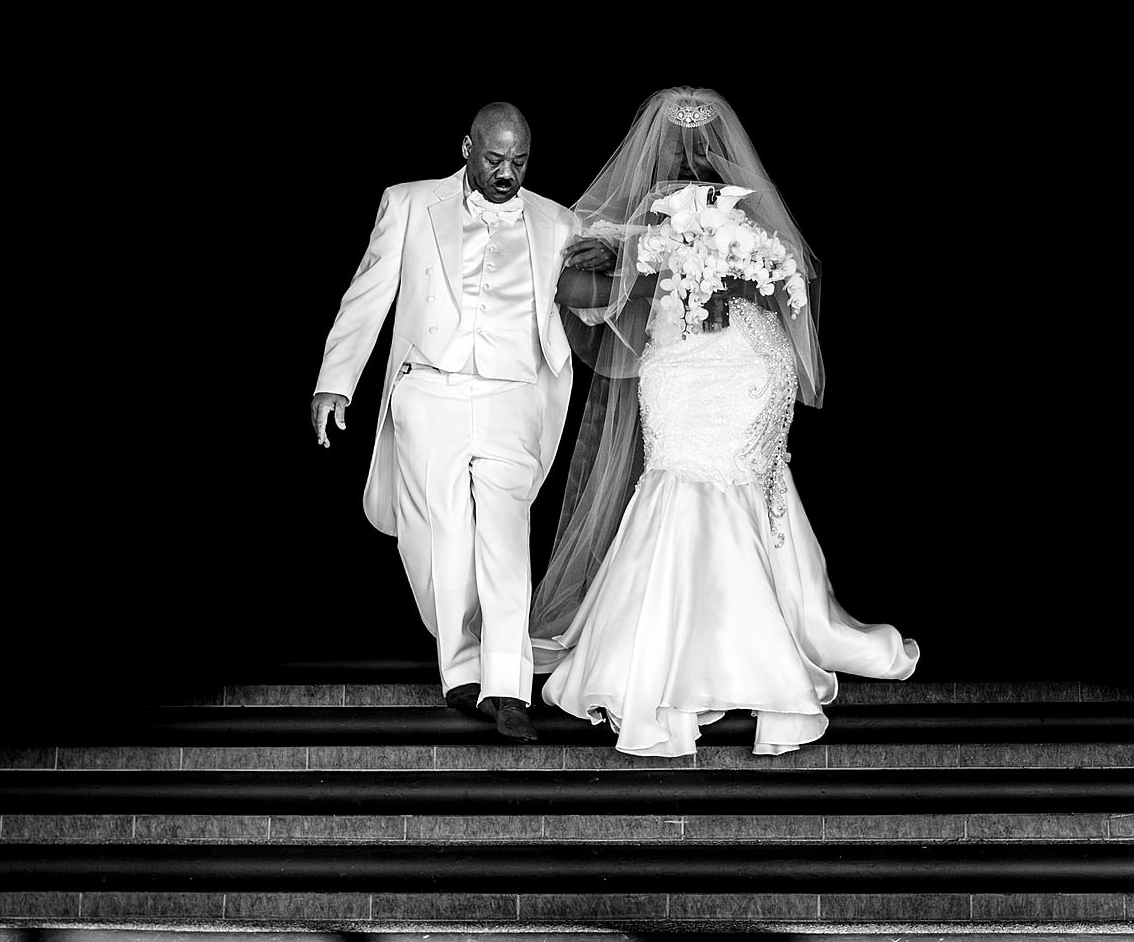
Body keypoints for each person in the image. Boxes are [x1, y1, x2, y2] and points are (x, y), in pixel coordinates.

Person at [534, 87, 916, 756]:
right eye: (684, 142)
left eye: (702, 141)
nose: (693, 153)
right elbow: (592, 279)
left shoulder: (744, 212)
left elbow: (783, 270)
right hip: (676, 361)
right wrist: (617, 253)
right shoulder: (643, 209)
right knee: (676, 472)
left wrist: (733, 265)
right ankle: (679, 654)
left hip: (741, 357)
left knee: (727, 476)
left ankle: (737, 651)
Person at [311, 102, 612, 741]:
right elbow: (368, 294)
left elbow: (592, 297)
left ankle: (508, 688)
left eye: (520, 162)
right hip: (430, 392)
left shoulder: (557, 221)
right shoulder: (410, 203)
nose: (508, 173)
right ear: (467, 148)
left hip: (513, 395)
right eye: (496, 159)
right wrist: (335, 382)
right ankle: (462, 673)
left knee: (505, 536)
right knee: (441, 540)